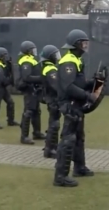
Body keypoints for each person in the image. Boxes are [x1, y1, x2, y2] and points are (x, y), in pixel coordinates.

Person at [53, 29, 102, 187]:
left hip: (77, 105)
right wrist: (88, 95)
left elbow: (79, 84)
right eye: (83, 43)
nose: (85, 46)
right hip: (70, 105)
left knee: (79, 137)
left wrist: (94, 81)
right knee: (68, 139)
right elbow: (69, 87)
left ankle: (79, 167)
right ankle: (60, 176)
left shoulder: (76, 60)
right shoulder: (68, 61)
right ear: (75, 45)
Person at [18, 41, 45, 144]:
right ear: (27, 51)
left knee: (36, 111)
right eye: (32, 49)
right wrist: (41, 79)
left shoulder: (31, 60)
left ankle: (36, 132)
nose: (34, 51)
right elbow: (26, 77)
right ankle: (24, 136)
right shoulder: (26, 61)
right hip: (29, 89)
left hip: (34, 89)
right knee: (28, 111)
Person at [39, 44, 62, 158]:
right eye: (55, 55)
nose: (58, 56)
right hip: (53, 99)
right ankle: (50, 149)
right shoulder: (50, 69)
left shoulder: (47, 67)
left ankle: (51, 146)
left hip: (50, 99)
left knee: (53, 123)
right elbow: (55, 86)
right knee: (54, 124)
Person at [0, 47, 19, 129]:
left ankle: (11, 121)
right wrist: (10, 81)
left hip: (3, 88)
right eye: (4, 55)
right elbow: (2, 79)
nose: (6, 57)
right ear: (1, 56)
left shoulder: (1, 64)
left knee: (10, 103)